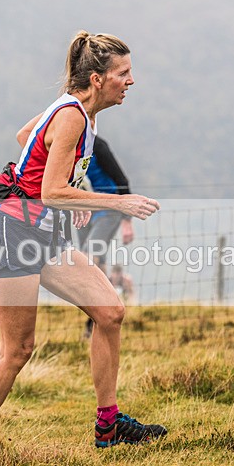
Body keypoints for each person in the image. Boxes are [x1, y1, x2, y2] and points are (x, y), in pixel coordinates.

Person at [0, 31, 167, 455]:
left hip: (44, 233)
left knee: (109, 312)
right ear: (97, 79)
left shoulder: (79, 114)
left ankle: (109, 425)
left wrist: (69, 190)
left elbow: (26, 137)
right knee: (17, 350)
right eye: (123, 73)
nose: (131, 81)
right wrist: (111, 200)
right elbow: (49, 192)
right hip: (14, 233)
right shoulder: (71, 115)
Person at [78, 136, 135, 338]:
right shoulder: (64, 144)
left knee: (87, 260)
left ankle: (99, 317)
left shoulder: (97, 145)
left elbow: (121, 180)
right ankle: (101, 318)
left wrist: (127, 220)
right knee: (97, 266)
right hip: (82, 211)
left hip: (108, 210)